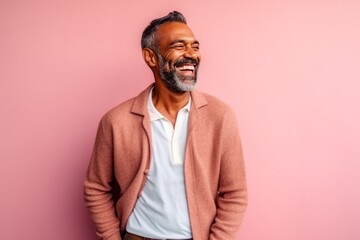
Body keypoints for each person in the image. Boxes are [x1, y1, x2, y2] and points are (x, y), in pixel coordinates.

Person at [84, 11, 248, 240]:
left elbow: (235, 193)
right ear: (151, 57)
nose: (191, 54)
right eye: (179, 46)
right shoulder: (116, 121)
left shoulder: (220, 117)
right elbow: (96, 188)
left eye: (195, 46)